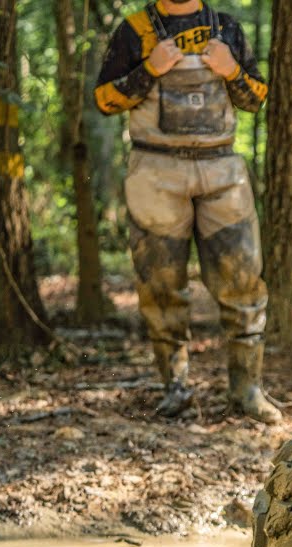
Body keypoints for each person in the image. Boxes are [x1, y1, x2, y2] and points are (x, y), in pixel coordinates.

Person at [95, 0, 280, 423]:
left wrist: (231, 69)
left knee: (243, 279)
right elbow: (104, 99)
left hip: (221, 170)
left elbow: (256, 98)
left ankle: (247, 389)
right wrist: (150, 70)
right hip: (156, 170)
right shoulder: (136, 30)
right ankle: (174, 389)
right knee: (160, 285)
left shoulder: (227, 27)